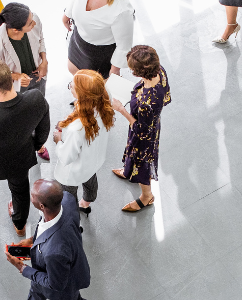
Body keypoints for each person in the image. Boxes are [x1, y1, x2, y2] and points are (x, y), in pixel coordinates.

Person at [0, 59, 51, 236]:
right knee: (20, 191)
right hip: (20, 159)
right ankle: (19, 225)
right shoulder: (36, 98)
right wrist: (34, 145)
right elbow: (43, 131)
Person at [4, 179, 91, 300]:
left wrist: (22, 268)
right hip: (67, 268)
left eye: (32, 195)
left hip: (59, 289)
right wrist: (32, 240)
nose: (30, 196)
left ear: (41, 206)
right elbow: (45, 228)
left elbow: (55, 284)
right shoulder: (67, 200)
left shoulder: (55, 252)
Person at [0, 2, 52, 160]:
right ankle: (24, 144)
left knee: (38, 110)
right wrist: (15, 76)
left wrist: (44, 61)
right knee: (20, 116)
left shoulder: (33, 19)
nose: (34, 22)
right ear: (16, 29)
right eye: (30, 23)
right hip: (16, 86)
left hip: (38, 76)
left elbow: (41, 39)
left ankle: (39, 144)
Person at [109, 45, 170, 212]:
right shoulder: (160, 71)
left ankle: (146, 196)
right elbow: (166, 96)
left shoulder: (147, 103)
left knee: (142, 162)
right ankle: (129, 170)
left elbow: (140, 130)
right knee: (132, 152)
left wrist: (121, 109)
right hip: (150, 124)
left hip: (144, 134)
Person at [53, 70, 115, 216]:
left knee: (68, 196)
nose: (70, 87)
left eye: (72, 87)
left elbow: (66, 157)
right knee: (90, 180)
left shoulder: (77, 128)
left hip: (73, 171)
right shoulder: (105, 98)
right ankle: (86, 203)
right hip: (94, 160)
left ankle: (72, 217)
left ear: (83, 95)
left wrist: (58, 141)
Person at [62, 0, 135, 79]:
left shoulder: (122, 10)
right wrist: (67, 13)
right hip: (78, 42)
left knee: (93, 84)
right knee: (74, 69)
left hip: (99, 55)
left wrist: (114, 71)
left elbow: (123, 47)